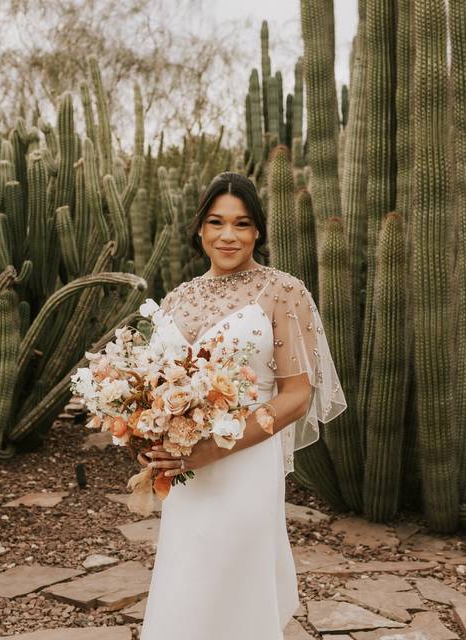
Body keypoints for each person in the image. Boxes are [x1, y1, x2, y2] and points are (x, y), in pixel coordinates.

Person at [137, 171, 346, 639]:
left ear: (258, 232)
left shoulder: (283, 292)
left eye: (242, 224)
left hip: (247, 461)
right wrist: (145, 435)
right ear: (200, 230)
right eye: (216, 222)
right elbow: (152, 386)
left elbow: (297, 395)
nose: (228, 235)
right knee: (185, 578)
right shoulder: (176, 298)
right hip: (184, 469)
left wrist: (219, 447)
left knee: (236, 580)